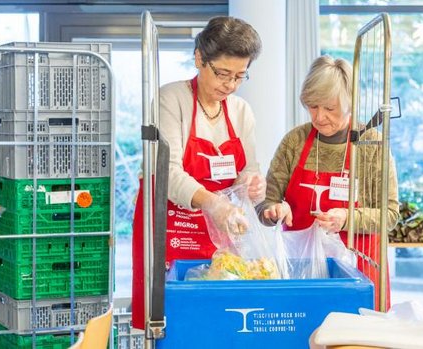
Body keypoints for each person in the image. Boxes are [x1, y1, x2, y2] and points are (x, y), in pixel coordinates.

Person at [132, 16, 265, 329]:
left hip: (218, 234)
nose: (230, 85)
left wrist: (253, 184)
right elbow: (168, 172)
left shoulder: (241, 111)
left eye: (239, 77)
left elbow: (249, 168)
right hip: (170, 229)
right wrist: (213, 203)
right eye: (222, 73)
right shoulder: (171, 100)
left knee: (216, 320)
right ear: (199, 59)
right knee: (170, 322)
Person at [256, 55, 399, 310]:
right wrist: (273, 210)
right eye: (313, 106)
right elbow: (266, 202)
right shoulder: (295, 142)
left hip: (360, 273)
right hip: (303, 271)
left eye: (330, 108)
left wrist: (347, 218)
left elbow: (389, 214)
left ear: (350, 103)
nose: (319, 117)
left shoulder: (371, 145)